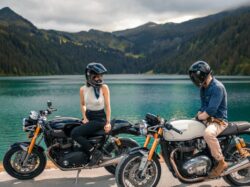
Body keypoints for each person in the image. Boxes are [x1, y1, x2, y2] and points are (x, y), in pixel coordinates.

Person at [189, 60, 228, 178]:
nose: (195, 79)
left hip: (219, 121)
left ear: (203, 75)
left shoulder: (217, 87)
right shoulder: (203, 87)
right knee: (187, 128)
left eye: (196, 76)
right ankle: (190, 159)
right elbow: (203, 108)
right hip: (207, 119)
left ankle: (221, 162)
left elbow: (211, 110)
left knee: (208, 134)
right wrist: (198, 115)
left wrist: (199, 116)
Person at [71, 62, 111, 166]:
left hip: (99, 119)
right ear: (89, 75)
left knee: (75, 133)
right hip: (88, 117)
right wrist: (84, 117)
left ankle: (95, 153)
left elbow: (107, 106)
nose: (99, 78)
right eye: (96, 76)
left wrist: (108, 122)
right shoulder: (82, 89)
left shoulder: (104, 88)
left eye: (100, 76)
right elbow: (83, 104)